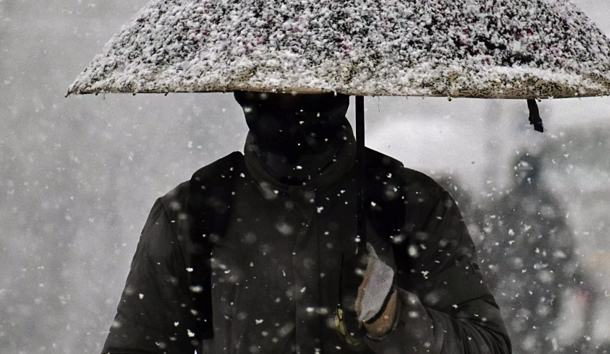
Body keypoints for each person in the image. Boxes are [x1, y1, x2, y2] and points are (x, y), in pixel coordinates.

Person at [101, 92, 511, 354]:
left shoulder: (411, 205)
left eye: (306, 84)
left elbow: (488, 346)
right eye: (270, 84)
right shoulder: (194, 213)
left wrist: (395, 318)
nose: (290, 98)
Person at [478, 153, 577, 354]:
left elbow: (489, 249)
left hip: (511, 289)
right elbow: (564, 249)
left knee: (512, 338)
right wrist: (560, 280)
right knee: (540, 339)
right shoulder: (549, 206)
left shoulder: (504, 204)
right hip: (543, 291)